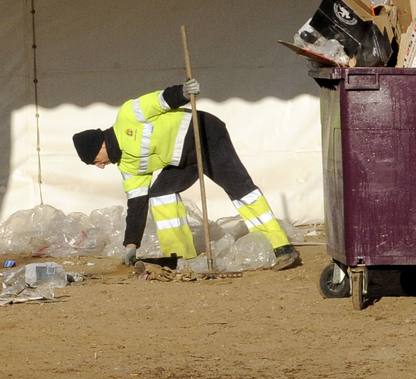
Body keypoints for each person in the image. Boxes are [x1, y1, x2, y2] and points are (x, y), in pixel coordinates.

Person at [72, 79, 300, 270]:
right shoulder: (128, 167)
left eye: (95, 162)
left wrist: (183, 92)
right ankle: (182, 257)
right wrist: (131, 244)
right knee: (160, 194)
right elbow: (136, 204)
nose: (100, 166)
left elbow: (160, 100)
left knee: (240, 189)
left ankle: (280, 247)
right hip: (182, 160)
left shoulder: (128, 115)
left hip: (204, 133)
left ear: (99, 146)